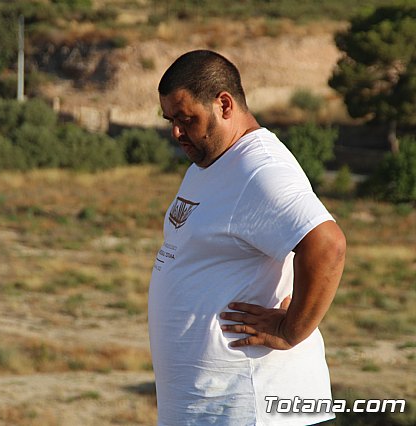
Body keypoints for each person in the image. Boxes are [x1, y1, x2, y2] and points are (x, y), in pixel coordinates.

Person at [148, 50, 347, 425]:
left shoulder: (259, 169)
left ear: (223, 104)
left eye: (185, 118)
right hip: (214, 407)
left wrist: (291, 331)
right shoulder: (213, 160)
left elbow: (327, 244)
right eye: (170, 120)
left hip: (252, 408)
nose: (175, 132)